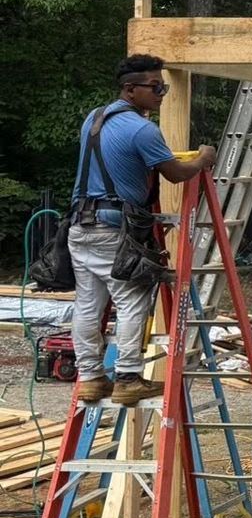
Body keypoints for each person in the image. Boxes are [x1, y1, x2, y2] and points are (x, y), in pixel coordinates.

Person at [69, 55, 213, 407]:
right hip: (115, 229)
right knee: (131, 299)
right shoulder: (142, 129)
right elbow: (176, 174)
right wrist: (204, 159)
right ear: (130, 89)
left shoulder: (95, 119)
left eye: (163, 86)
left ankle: (90, 378)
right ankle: (129, 378)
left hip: (80, 226)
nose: (162, 93)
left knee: (88, 304)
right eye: (155, 87)